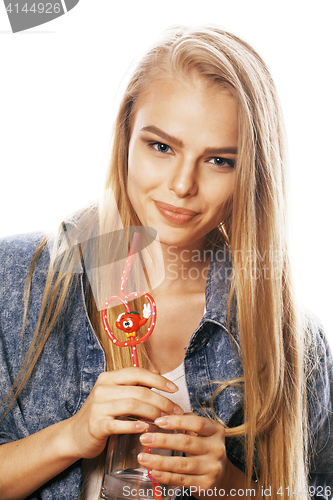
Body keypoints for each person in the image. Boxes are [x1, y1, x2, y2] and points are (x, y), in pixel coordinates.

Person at [0, 25, 332, 500]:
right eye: (161, 147)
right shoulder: (18, 282)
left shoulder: (293, 341)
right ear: (126, 137)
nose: (182, 185)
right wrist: (69, 437)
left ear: (253, 175)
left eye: (219, 161)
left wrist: (231, 485)